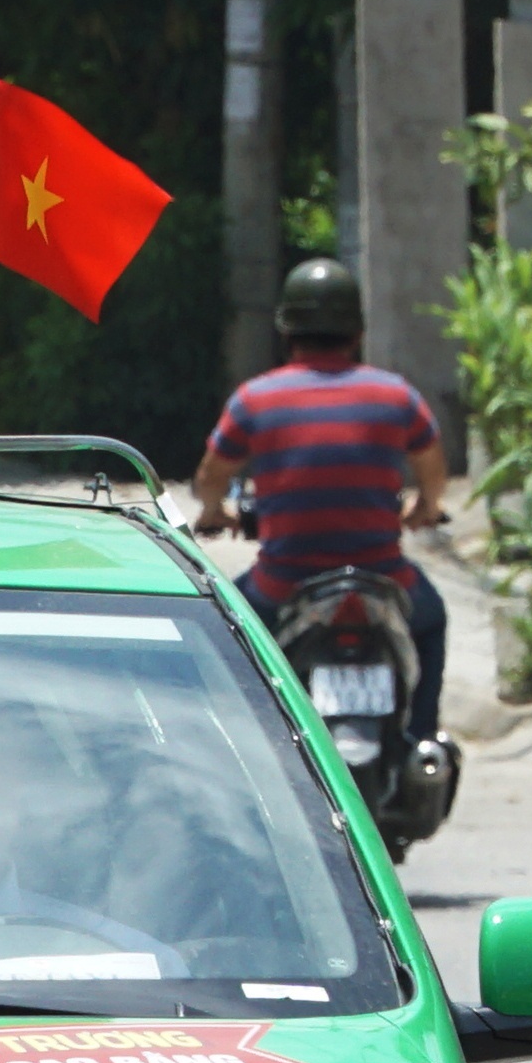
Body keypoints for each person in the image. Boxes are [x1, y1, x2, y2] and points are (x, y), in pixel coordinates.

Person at [191, 256, 448, 735]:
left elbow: (210, 476)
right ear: (357, 331)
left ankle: (250, 743)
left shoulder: (255, 399)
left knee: (224, 632)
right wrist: (426, 508)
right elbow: (432, 473)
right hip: (381, 582)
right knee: (431, 621)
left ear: (288, 331)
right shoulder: (395, 395)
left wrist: (214, 512)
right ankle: (423, 737)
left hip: (284, 585)